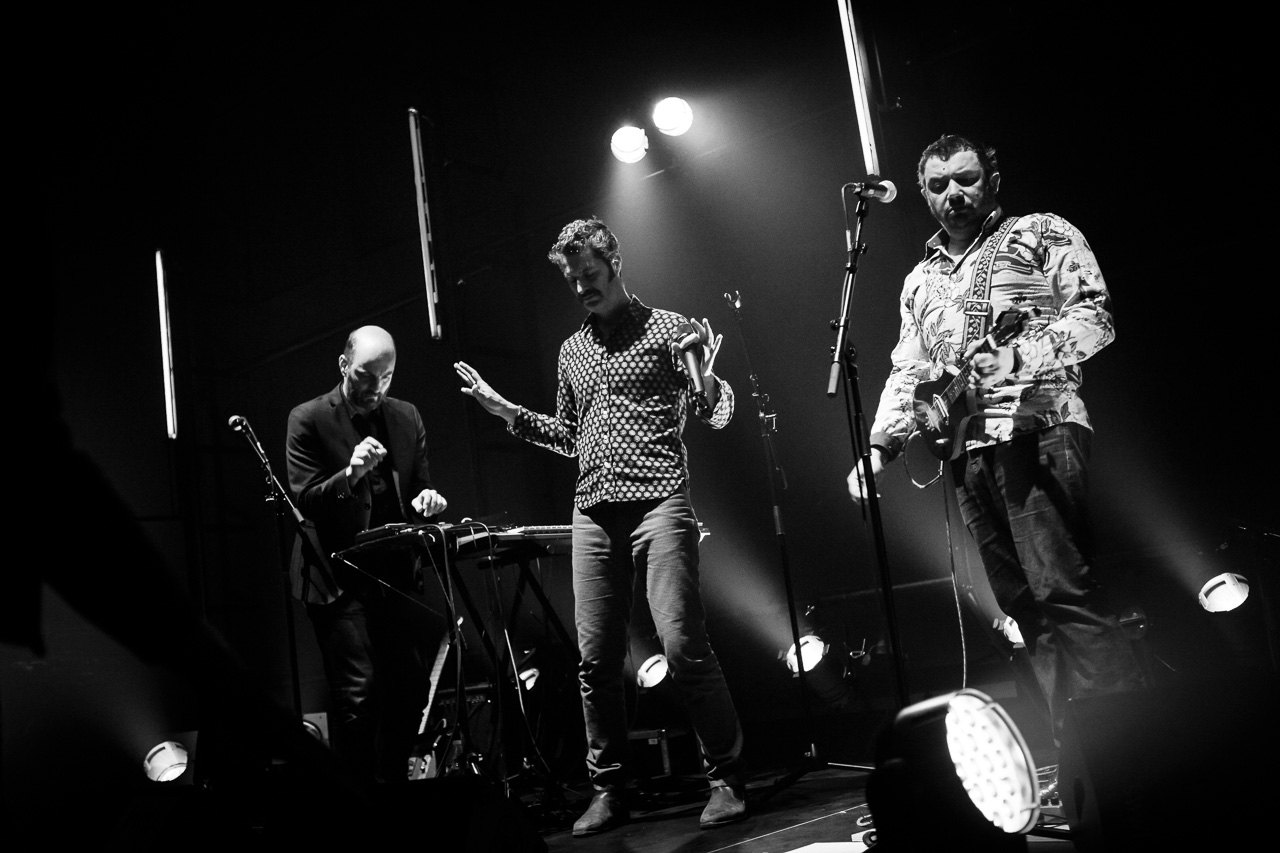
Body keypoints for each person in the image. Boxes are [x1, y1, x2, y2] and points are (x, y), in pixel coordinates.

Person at [847, 135, 1146, 794]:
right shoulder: (919, 279)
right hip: (971, 455)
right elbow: (909, 369)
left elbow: (1095, 318)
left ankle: (1128, 766)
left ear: (992, 177)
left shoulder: (1042, 232)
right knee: (1023, 614)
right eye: (938, 186)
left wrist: (1010, 365)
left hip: (1039, 433)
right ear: (922, 195)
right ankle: (1078, 769)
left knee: (1066, 596)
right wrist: (880, 446)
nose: (954, 194)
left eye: (966, 178)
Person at [454, 217, 747, 835]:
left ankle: (725, 776)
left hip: (660, 501)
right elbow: (569, 433)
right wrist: (504, 410)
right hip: (593, 509)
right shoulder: (572, 351)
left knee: (682, 645)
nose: (582, 286)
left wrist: (708, 380)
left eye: (589, 274)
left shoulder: (670, 329)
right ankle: (609, 789)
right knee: (594, 661)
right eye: (572, 279)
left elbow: (715, 413)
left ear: (614, 263)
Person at [286, 324, 449, 785]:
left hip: (391, 575)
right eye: (365, 375)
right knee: (359, 697)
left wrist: (427, 502)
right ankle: (360, 807)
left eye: (387, 376)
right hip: (335, 577)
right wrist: (351, 473)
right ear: (344, 366)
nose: (376, 388)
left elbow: (418, 487)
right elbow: (305, 500)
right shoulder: (309, 417)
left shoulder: (406, 416)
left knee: (412, 686)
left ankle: (392, 791)